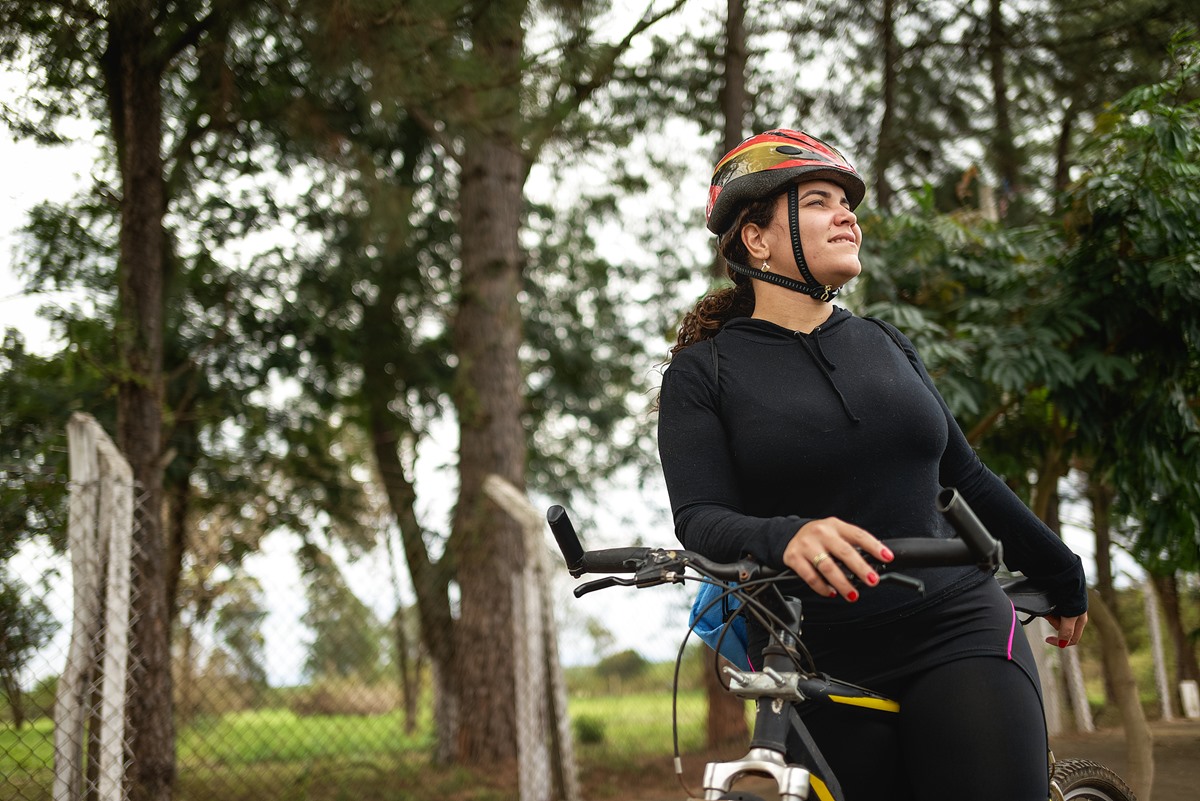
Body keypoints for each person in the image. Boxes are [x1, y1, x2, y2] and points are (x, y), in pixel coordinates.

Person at [656, 129, 1089, 801]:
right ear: (756, 238)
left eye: (848, 202)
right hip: (815, 656)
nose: (847, 214)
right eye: (819, 201)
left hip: (956, 625)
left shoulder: (884, 342)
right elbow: (700, 517)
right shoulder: (702, 373)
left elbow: (964, 476)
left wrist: (1063, 571)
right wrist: (786, 534)